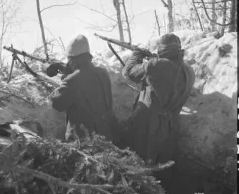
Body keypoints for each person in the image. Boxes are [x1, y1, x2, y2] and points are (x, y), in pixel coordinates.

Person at [122, 33, 195, 164]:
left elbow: (129, 72)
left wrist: (136, 54)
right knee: (163, 167)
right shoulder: (189, 71)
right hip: (171, 128)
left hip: (148, 128)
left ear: (161, 49)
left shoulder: (156, 65)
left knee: (141, 166)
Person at [44, 35, 120, 144]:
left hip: (84, 140)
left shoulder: (74, 80)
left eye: (69, 59)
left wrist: (66, 77)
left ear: (73, 59)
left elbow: (57, 103)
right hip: (107, 134)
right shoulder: (103, 72)